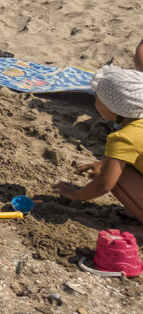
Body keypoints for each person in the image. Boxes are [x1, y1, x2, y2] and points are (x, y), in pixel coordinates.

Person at [53, 66, 143, 225]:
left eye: (98, 99)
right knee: (114, 168)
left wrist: (76, 195)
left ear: (111, 107)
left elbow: (104, 184)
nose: (96, 103)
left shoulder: (124, 137)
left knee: (115, 176)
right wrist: (104, 163)